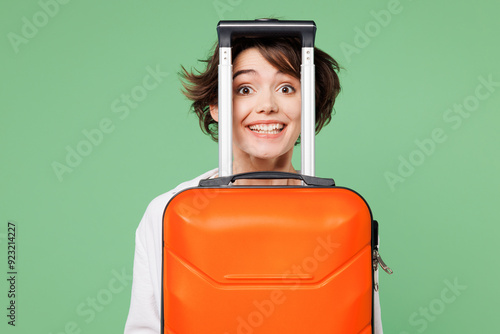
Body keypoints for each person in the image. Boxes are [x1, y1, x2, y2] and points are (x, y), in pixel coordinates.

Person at [124, 34, 384, 333]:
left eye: (286, 88)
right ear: (217, 107)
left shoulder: (342, 218)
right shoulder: (169, 212)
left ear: (308, 107)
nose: (267, 105)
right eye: (245, 89)